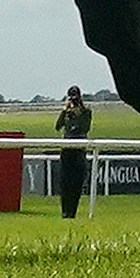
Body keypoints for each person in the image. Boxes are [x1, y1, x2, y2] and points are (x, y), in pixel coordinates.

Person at [55, 85, 93, 219]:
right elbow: (57, 126)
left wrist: (78, 113)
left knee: (77, 182)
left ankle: (72, 212)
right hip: (66, 151)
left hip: (79, 151)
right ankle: (64, 212)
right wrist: (64, 111)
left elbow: (84, 128)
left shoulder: (86, 112)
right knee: (65, 183)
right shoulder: (67, 112)